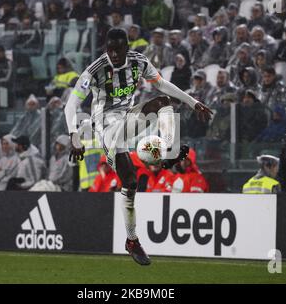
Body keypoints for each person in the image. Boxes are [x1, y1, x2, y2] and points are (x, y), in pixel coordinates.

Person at [64, 28, 212, 266]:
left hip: (129, 118)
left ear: (127, 47)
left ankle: (167, 154)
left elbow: (162, 84)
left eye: (118, 49)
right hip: (107, 130)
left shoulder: (139, 62)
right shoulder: (95, 69)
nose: (113, 54)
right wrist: (74, 135)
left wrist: (193, 103)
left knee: (162, 103)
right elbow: (71, 105)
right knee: (131, 180)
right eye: (109, 49)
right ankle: (133, 238)